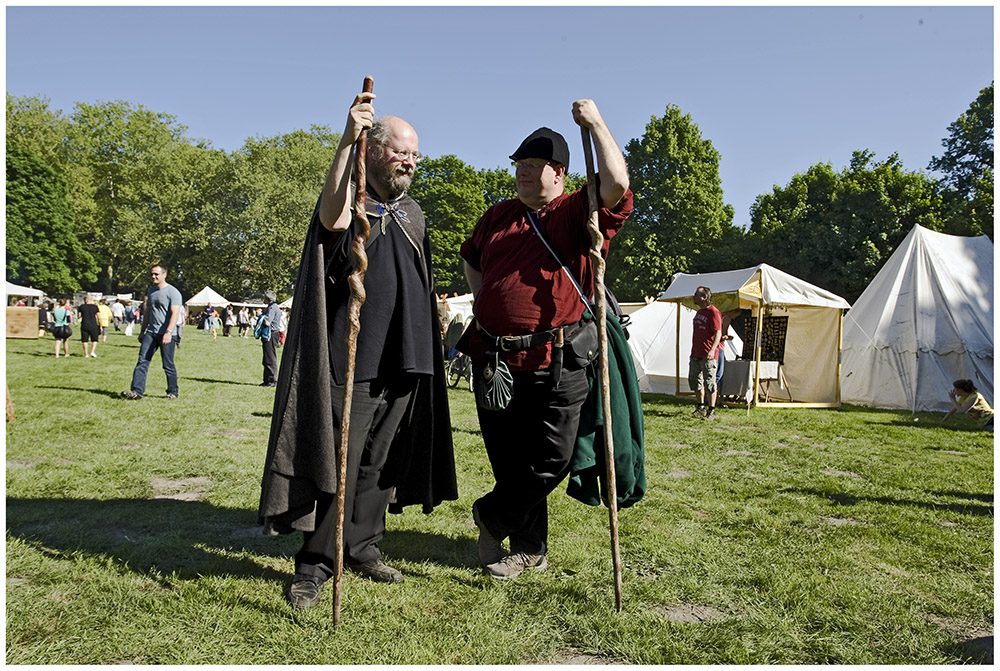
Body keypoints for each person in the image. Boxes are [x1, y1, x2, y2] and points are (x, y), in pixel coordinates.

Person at [258, 90, 456, 610]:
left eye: (415, 154)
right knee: (340, 462)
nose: (410, 161)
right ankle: (317, 562)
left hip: (406, 358)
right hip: (355, 358)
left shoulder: (412, 212)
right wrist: (347, 139)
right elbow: (330, 221)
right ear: (373, 151)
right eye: (400, 151)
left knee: (379, 464)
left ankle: (363, 545)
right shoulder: (353, 202)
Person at [459, 100, 633, 579]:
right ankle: (529, 549)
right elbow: (471, 257)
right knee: (511, 462)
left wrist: (596, 123)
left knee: (551, 458)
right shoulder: (496, 217)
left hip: (557, 360)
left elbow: (616, 184)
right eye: (519, 165)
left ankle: (491, 516)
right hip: (494, 359)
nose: (522, 173)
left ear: (558, 173)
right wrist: (483, 301)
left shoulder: (575, 211)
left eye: (533, 166)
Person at [121, 264, 183, 400]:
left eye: (156, 274)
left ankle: (173, 392)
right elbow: (148, 312)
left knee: (168, 364)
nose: (153, 277)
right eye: (152, 274)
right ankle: (136, 392)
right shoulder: (151, 291)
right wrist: (143, 331)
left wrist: (168, 332)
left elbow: (175, 313)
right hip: (151, 332)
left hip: (167, 334)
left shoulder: (173, 292)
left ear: (164, 275)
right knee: (142, 361)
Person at [689, 286, 722, 420]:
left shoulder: (714, 312)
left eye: (697, 295)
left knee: (710, 383)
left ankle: (711, 410)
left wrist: (712, 349)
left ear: (704, 297)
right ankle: (700, 407)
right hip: (696, 352)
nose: (694, 297)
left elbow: (718, 332)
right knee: (696, 381)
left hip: (708, 354)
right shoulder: (699, 312)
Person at [258, 291, 281, 386]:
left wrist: (260, 317)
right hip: (274, 334)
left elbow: (267, 322)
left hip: (270, 334)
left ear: (269, 299)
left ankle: (272, 380)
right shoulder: (275, 307)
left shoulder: (272, 308)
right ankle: (267, 380)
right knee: (268, 357)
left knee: (269, 358)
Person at [77, 294, 101, 358]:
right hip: (93, 324)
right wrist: (100, 325)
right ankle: (92, 352)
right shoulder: (95, 307)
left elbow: (79, 316)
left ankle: (86, 354)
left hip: (84, 324)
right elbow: (99, 317)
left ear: (86, 300)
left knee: (85, 340)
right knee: (94, 339)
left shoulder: (81, 307)